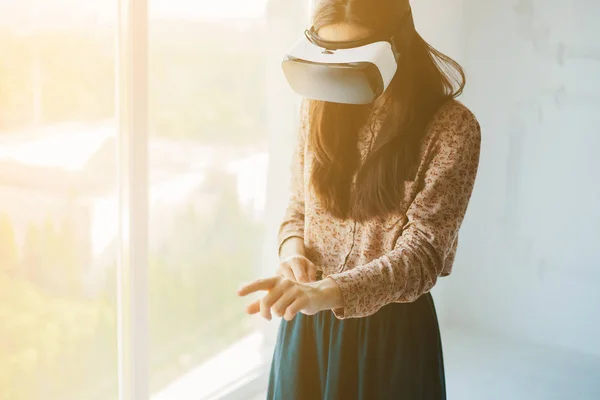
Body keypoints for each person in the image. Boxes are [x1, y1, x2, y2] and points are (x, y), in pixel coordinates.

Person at [238, 0, 481, 398]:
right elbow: (300, 205)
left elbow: (421, 257)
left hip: (389, 338)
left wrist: (332, 291)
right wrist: (292, 250)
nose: (339, 71)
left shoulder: (452, 130)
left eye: (355, 56)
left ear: (396, 47)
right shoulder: (316, 104)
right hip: (307, 317)